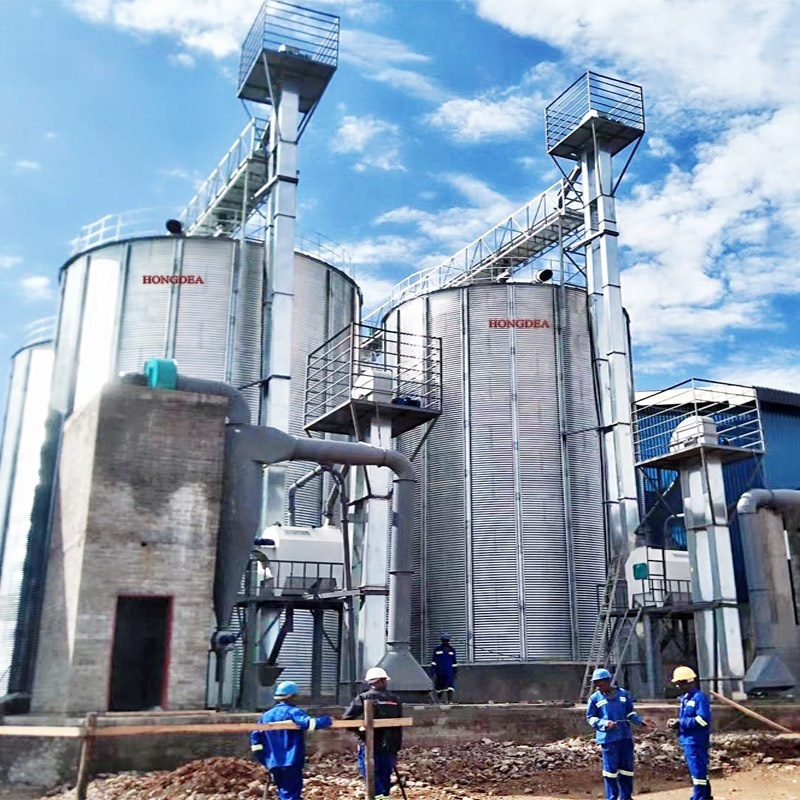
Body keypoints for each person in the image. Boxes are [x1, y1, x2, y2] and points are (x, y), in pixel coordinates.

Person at [249, 680, 333, 800]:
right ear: (292, 697)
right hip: (291, 761)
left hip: (273, 763)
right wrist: (327, 720)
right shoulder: (293, 712)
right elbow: (310, 724)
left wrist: (265, 760)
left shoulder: (265, 716)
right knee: (291, 793)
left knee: (285, 791)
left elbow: (255, 740)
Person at [586, 667, 655, 800]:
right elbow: (590, 718)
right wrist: (604, 723)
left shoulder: (623, 694)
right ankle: (612, 797)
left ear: (608, 681)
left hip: (625, 737)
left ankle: (626, 796)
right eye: (596, 683)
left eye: (601, 683)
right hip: (609, 739)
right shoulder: (595, 698)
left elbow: (630, 713)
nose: (598, 686)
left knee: (626, 769)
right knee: (610, 771)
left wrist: (641, 721)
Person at [342, 666, 403, 800]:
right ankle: (384, 797)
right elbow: (398, 724)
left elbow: (347, 719)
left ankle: (377, 796)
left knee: (369, 772)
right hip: (390, 745)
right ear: (384, 680)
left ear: (370, 682)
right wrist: (396, 747)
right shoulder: (395, 699)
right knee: (385, 774)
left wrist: (361, 733)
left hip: (370, 743)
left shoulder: (364, 697)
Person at [667, 666, 713, 800]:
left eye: (680, 683)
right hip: (688, 740)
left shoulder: (699, 698)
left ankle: (699, 796)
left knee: (698, 770)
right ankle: (705, 795)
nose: (678, 686)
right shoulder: (686, 699)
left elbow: (703, 720)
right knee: (698, 769)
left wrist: (681, 722)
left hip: (696, 740)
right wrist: (677, 723)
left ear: (689, 682)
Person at [430, 632, 458, 703]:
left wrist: (455, 671)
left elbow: (454, 661)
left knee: (450, 686)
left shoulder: (451, 650)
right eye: (444, 640)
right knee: (439, 686)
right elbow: (434, 661)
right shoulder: (437, 649)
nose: (445, 642)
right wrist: (432, 670)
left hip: (449, 671)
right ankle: (440, 700)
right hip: (440, 671)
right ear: (441, 641)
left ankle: (449, 701)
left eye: (446, 640)